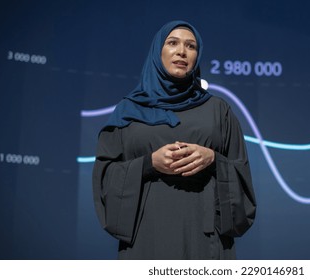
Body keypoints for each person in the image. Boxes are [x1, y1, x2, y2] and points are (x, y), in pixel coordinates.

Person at [92, 20, 256, 259]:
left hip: (206, 242)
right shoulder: (128, 111)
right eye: (173, 43)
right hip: (146, 241)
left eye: (191, 46)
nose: (182, 51)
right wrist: (149, 163)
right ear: (158, 51)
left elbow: (242, 177)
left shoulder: (219, 111)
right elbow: (105, 178)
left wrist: (213, 159)